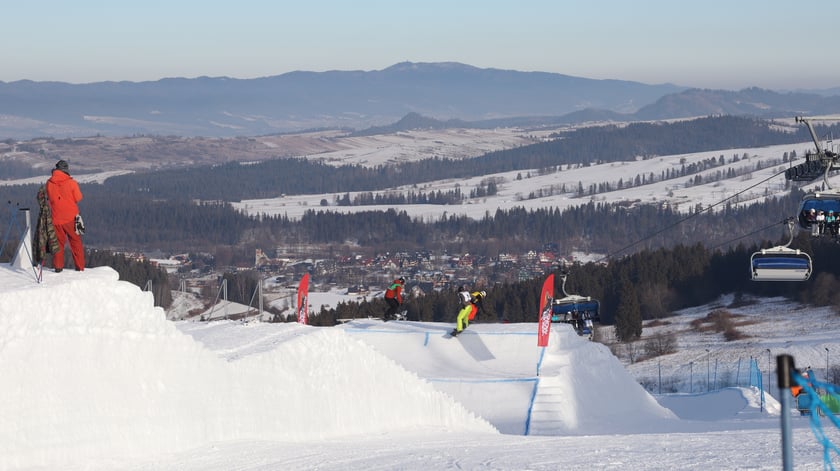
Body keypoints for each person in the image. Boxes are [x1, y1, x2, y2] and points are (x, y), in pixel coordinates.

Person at [45, 160, 84, 272]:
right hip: (71, 217)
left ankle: (58, 267)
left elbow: (50, 199)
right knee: (75, 242)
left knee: (58, 243)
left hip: (56, 218)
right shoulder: (72, 183)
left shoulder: (49, 183)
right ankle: (80, 267)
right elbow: (78, 198)